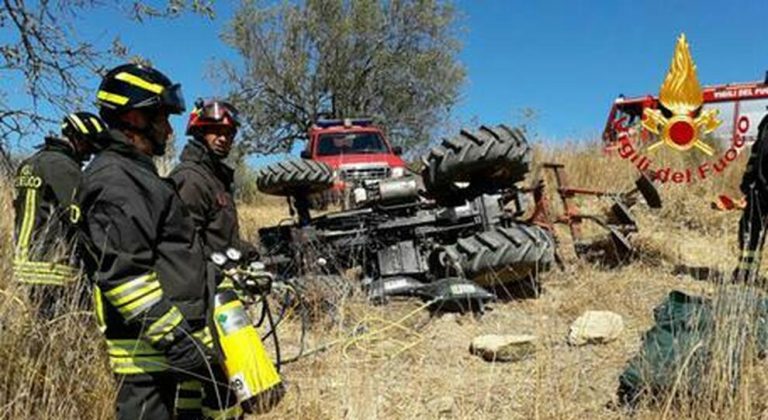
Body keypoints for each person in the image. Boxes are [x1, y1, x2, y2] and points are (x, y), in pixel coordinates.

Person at [77, 63, 241, 419]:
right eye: (163, 118)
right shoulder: (117, 180)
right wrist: (178, 341)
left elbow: (176, 256)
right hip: (148, 360)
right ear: (135, 118)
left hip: (171, 348)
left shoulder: (139, 174)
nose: (169, 129)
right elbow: (124, 276)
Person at [13, 112, 103, 318]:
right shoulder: (63, 167)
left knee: (35, 327)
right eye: (89, 146)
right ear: (78, 138)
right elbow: (77, 215)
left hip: (24, 263)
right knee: (63, 324)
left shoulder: (29, 163)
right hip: (54, 267)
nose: (89, 155)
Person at [170, 98, 256, 259]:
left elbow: (219, 240)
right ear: (200, 133)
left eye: (229, 133)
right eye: (216, 131)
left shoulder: (215, 178)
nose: (223, 139)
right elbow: (184, 247)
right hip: (208, 278)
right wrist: (219, 274)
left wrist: (246, 252)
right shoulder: (191, 178)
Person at [735, 113, 768, 283]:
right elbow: (755, 155)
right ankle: (745, 274)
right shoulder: (766, 121)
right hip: (760, 190)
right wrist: (747, 183)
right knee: (748, 230)